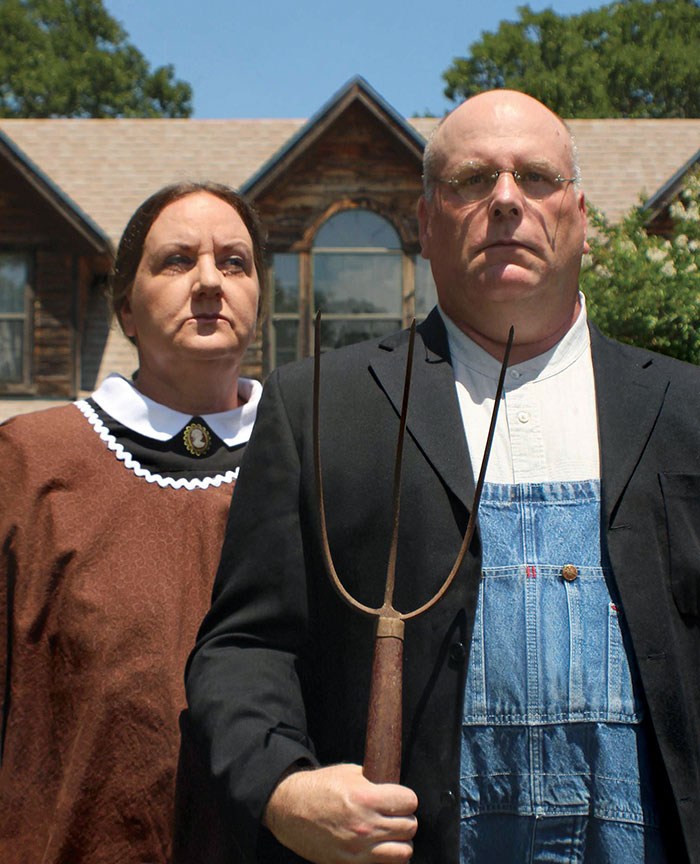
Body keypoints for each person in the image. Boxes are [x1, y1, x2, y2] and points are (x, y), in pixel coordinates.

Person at [182, 91, 700, 864]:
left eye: (535, 178)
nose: (505, 202)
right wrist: (285, 787)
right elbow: (243, 648)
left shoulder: (685, 408)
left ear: (582, 217)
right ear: (425, 224)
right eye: (470, 180)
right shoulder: (321, 409)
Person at [0, 180, 267, 863]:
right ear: (125, 306)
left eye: (235, 262)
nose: (210, 281)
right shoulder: (30, 462)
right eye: (177, 260)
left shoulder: (320, 465)